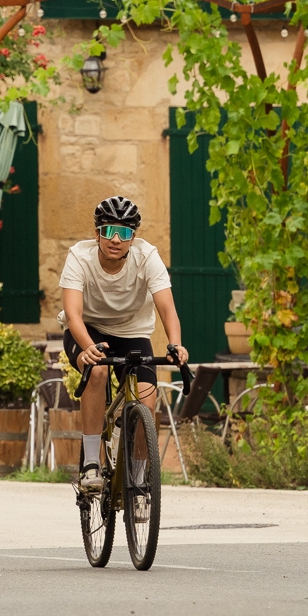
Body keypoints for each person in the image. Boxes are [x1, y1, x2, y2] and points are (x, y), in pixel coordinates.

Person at [61, 195, 187, 496]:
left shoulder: (147, 256)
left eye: (124, 233)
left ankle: (139, 480)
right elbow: (73, 314)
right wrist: (88, 347)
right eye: (108, 231)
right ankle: (91, 464)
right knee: (98, 372)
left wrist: (175, 345)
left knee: (146, 401)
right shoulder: (79, 256)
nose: (115, 239)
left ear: (133, 237)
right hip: (88, 330)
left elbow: (167, 308)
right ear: (97, 234)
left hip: (133, 333)